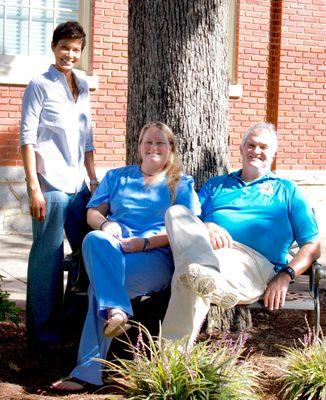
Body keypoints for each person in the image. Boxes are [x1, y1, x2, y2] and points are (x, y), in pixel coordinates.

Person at [52, 121, 201, 391]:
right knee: (94, 238)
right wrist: (105, 224)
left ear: (171, 149)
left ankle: (88, 370)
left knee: (103, 288)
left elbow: (186, 228)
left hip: (156, 257)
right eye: (148, 142)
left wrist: (144, 243)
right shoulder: (117, 176)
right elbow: (92, 213)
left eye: (160, 143)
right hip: (113, 249)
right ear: (139, 145)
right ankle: (117, 310)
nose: (153, 147)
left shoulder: (180, 183)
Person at [161, 122, 320, 344]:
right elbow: (190, 225)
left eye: (263, 147)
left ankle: (170, 363)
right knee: (176, 212)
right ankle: (209, 278)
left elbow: (312, 245)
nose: (256, 151)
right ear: (242, 148)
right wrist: (207, 227)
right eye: (251, 145)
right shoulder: (217, 185)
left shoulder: (287, 190)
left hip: (253, 264)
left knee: (187, 276)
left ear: (273, 154)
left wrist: (286, 275)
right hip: (207, 251)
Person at [20, 21, 98, 348]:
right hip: (48, 183)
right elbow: (26, 140)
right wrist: (34, 188)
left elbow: (88, 138)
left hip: (77, 183)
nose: (69, 54)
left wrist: (94, 181)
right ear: (54, 47)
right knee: (47, 257)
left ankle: (71, 318)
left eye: (75, 49)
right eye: (64, 47)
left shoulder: (82, 85)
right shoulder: (39, 85)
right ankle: (42, 335)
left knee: (89, 246)